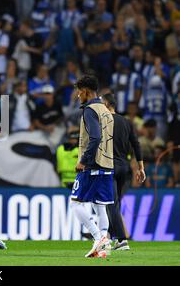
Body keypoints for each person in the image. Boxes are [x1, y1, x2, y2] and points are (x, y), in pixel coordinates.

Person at [71, 75, 114, 258]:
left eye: (79, 91)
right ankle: (104, 244)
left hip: (93, 164)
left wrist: (84, 160)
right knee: (99, 205)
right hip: (107, 164)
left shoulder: (90, 110)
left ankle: (98, 238)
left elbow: (95, 137)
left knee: (75, 203)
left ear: (86, 91)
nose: (77, 94)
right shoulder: (105, 109)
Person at [101, 93, 145, 251]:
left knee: (110, 204)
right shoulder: (126, 122)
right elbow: (136, 144)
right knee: (115, 204)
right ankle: (111, 238)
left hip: (109, 168)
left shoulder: (103, 121)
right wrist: (141, 167)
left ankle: (121, 240)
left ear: (106, 104)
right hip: (125, 169)